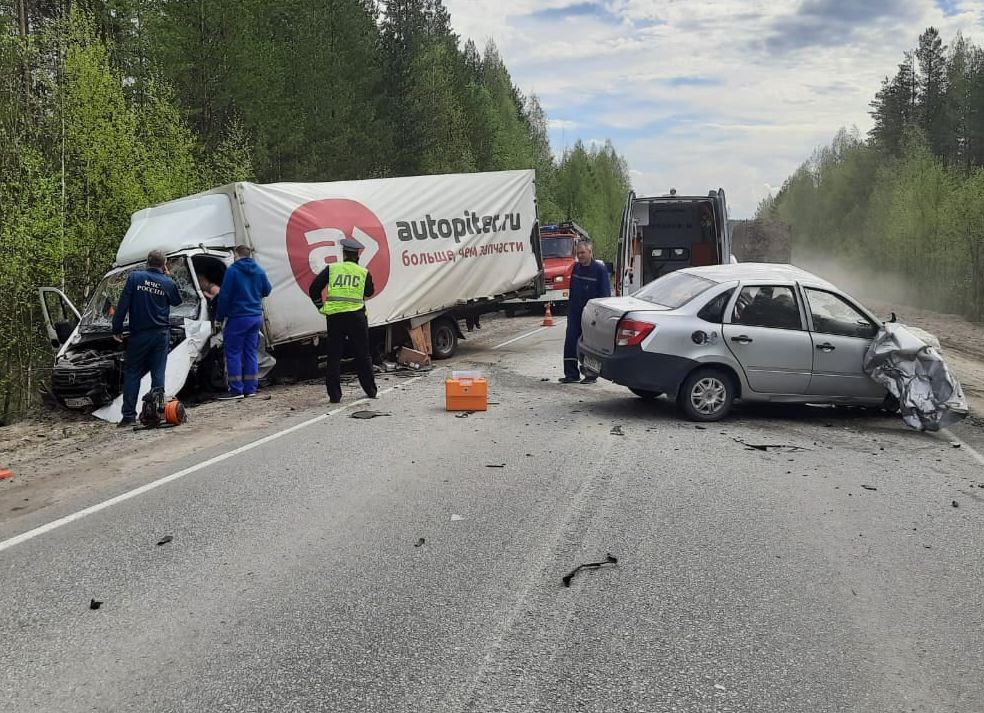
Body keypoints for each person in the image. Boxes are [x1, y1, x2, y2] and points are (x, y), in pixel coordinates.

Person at [111, 250, 182, 426]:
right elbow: (177, 301)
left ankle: (128, 416)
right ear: (164, 264)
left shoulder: (135, 277)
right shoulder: (168, 282)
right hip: (160, 334)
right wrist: (167, 277)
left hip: (139, 334)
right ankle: (156, 413)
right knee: (158, 372)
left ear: (147, 262)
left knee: (133, 373)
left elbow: (122, 305)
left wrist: (117, 328)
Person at [308, 238, 378, 403]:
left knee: (334, 355)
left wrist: (320, 306)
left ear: (343, 254)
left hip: (335, 317)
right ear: (357, 256)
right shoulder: (363, 272)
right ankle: (370, 390)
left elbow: (314, 288)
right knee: (362, 353)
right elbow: (369, 292)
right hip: (356, 317)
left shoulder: (332, 269)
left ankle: (335, 395)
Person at [215, 245, 272, 400]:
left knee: (233, 353)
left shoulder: (233, 271)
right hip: (255, 316)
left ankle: (237, 390)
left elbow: (224, 296)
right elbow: (267, 290)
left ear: (236, 254)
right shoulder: (259, 270)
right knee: (251, 352)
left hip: (238, 317)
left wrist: (219, 318)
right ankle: (251, 388)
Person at [560, 239, 610, 384]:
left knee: (589, 345)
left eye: (582, 252)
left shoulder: (599, 270)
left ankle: (590, 375)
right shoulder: (576, 268)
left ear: (590, 252)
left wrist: (599, 315)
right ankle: (571, 374)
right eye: (578, 253)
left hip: (591, 315)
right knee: (570, 341)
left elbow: (604, 295)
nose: (580, 256)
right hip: (574, 312)